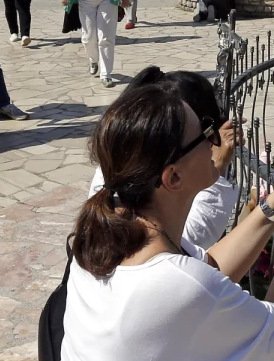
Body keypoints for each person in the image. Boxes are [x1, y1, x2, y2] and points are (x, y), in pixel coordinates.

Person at [44, 84, 274, 361]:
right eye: (205, 134)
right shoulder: (177, 285)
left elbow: (209, 269)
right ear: (173, 177)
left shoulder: (107, 226)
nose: (215, 141)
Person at [86, 68, 240, 246]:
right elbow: (188, 242)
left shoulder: (127, 162)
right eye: (206, 132)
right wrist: (217, 168)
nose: (213, 144)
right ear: (172, 176)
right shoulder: (162, 256)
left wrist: (272, 207)